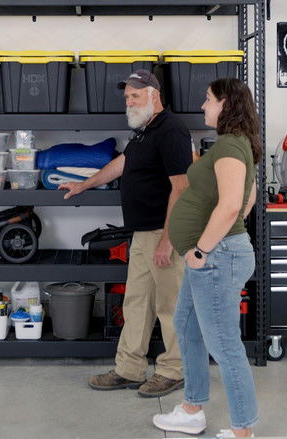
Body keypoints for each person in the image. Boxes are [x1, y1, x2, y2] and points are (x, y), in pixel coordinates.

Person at [60, 70, 192, 397]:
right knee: (136, 303)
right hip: (142, 233)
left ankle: (173, 371)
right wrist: (84, 184)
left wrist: (167, 240)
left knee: (170, 306)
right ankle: (129, 368)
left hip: (165, 233)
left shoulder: (171, 130)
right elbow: (123, 163)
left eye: (135, 95)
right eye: (127, 97)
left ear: (153, 94)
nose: (129, 102)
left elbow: (182, 187)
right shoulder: (144, 131)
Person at [153, 78, 260, 438]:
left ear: (226, 103)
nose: (203, 106)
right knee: (186, 327)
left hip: (215, 258)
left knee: (225, 345)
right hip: (217, 254)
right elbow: (248, 195)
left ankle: (243, 430)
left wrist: (202, 248)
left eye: (208, 100)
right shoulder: (235, 145)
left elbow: (233, 204)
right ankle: (191, 408)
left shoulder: (230, 145)